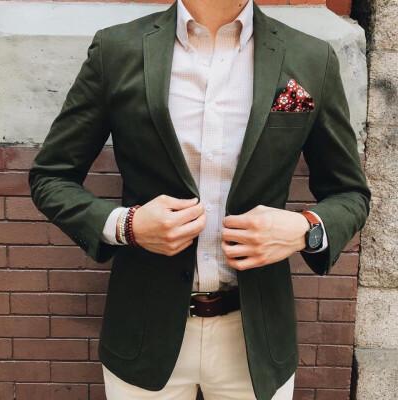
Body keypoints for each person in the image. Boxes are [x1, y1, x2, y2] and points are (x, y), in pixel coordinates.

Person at [28, 0, 371, 399]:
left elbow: (350, 193)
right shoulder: (117, 50)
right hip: (144, 330)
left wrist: (303, 229)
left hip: (256, 340)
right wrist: (126, 225)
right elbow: (51, 176)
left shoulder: (310, 57)